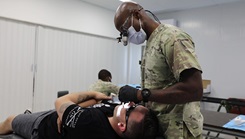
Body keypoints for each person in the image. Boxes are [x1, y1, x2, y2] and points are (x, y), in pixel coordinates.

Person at [114, 1, 203, 139]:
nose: (127, 36)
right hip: (161, 128)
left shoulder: (172, 38)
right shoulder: (151, 43)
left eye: (125, 31)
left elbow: (194, 90)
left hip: (179, 132)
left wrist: (140, 94)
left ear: (137, 15)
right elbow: (159, 86)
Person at [0, 91, 159, 139]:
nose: (130, 103)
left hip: (42, 127)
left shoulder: (89, 122)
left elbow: (61, 100)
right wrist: (68, 113)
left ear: (122, 126)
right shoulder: (117, 120)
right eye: (136, 104)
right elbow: (94, 104)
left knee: (10, 120)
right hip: (62, 117)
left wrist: (92, 93)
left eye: (130, 109)